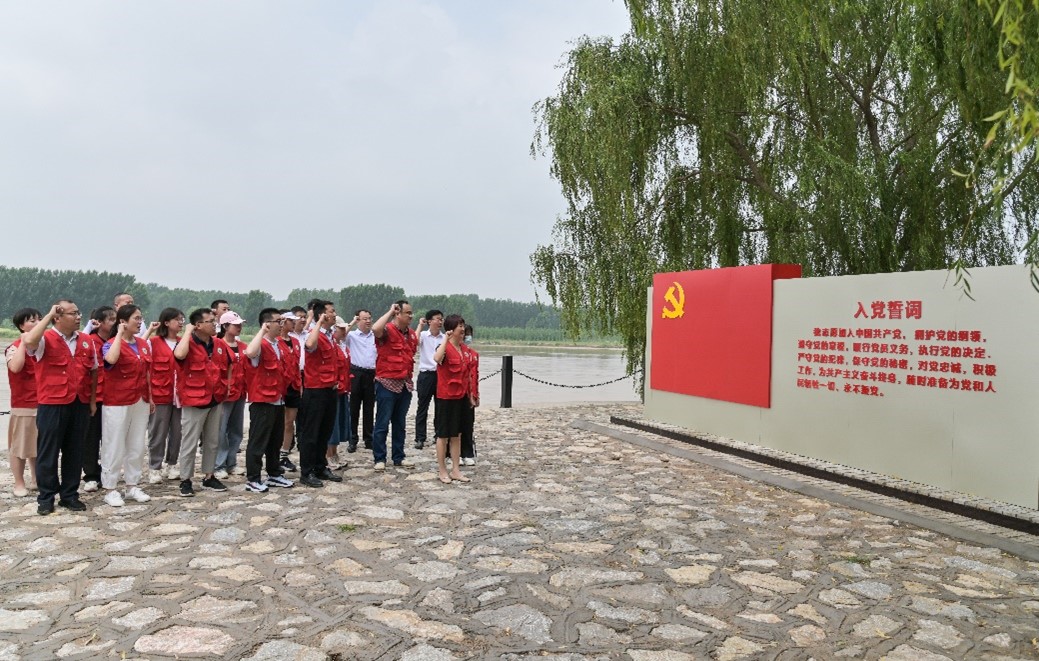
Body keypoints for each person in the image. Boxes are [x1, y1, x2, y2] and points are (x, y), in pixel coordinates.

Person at [23, 301, 97, 515]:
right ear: (58, 317)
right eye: (73, 314)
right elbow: (29, 341)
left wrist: (92, 401)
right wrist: (48, 315)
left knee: (75, 451)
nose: (78, 317)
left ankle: (69, 495)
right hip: (52, 403)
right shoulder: (44, 339)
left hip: (79, 402)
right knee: (48, 452)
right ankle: (46, 497)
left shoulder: (86, 340)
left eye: (79, 313)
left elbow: (93, 371)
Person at [99, 305, 154, 506]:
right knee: (114, 444)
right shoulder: (111, 344)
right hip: (117, 400)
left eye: (141, 318)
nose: (140, 322)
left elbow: (147, 373)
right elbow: (110, 360)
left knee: (137, 444)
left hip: (140, 399)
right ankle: (110, 487)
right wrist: (119, 335)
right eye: (136, 318)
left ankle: (132, 485)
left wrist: (151, 397)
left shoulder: (143, 344)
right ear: (123, 321)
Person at [174, 308, 226, 496]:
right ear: (198, 325)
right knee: (190, 442)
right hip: (194, 399)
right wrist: (187, 332)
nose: (214, 324)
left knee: (212, 441)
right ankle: (185, 479)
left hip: (215, 398)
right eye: (210, 321)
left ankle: (209, 476)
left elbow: (228, 365)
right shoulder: (186, 343)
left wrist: (225, 387)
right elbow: (179, 355)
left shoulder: (218, 343)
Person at [242, 308, 295, 492]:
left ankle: (274, 473)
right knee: (258, 442)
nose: (281, 324)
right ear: (267, 324)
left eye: (282, 321)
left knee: (275, 441)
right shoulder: (261, 344)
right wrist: (262, 332)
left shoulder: (278, 344)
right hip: (262, 401)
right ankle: (253, 478)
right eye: (278, 321)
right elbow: (250, 352)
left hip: (278, 399)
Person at [297, 300, 343, 487]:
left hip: (330, 389)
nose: (334, 314)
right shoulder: (314, 333)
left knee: (324, 431)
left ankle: (320, 466)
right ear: (322, 315)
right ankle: (306, 472)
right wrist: (317, 323)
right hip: (315, 390)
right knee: (311, 433)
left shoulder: (330, 335)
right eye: (331, 312)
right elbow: (309, 345)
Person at [371, 300, 418, 471]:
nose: (411, 316)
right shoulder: (387, 330)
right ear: (398, 314)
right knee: (382, 423)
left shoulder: (411, 334)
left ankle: (399, 456)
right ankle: (379, 458)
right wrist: (390, 311)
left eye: (411, 313)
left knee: (400, 423)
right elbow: (375, 329)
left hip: (405, 384)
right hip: (386, 383)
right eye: (408, 313)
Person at [5, 308, 41, 497]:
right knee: (19, 446)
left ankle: (36, 478)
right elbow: (16, 367)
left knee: (38, 444)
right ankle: (19, 482)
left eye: (38, 320)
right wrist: (23, 344)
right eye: (31, 321)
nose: (36, 323)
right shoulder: (14, 347)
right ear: (21, 326)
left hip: (45, 401)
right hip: (24, 403)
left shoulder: (43, 345)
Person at [81, 306, 116, 494]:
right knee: (91, 439)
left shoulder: (117, 341)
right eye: (111, 319)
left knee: (111, 439)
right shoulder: (89, 341)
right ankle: (91, 475)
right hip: (95, 396)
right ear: (99, 323)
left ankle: (108, 472)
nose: (115, 323)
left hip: (114, 396)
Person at [147, 308, 184, 483]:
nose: (181, 322)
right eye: (177, 319)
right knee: (158, 433)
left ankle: (172, 464)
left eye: (182, 319)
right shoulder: (153, 342)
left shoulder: (183, 342)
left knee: (177, 432)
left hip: (180, 396)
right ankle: (155, 467)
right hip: (159, 394)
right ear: (166, 322)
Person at [433, 315, 471, 484]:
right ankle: (442, 470)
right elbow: (437, 359)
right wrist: (445, 339)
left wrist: (471, 395)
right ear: (450, 329)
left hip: (461, 397)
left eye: (463, 326)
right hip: (445, 397)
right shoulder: (444, 347)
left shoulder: (464, 349)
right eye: (459, 326)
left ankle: (455, 470)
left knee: (457, 434)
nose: (462, 329)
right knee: (443, 435)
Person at [213, 310, 247, 479]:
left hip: (240, 392)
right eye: (235, 325)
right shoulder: (217, 345)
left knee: (236, 430)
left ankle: (231, 462)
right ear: (225, 326)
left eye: (240, 324)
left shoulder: (243, 347)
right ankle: (219, 464)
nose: (239, 327)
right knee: (221, 430)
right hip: (224, 394)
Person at [347, 309, 376, 453]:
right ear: (358, 320)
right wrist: (352, 322)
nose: (368, 321)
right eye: (365, 318)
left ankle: (369, 438)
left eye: (370, 318)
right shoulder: (352, 336)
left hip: (372, 374)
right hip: (356, 373)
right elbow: (340, 335)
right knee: (353, 408)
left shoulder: (375, 335)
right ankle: (352, 439)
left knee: (369, 408)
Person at [414, 309, 443, 450]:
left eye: (441, 319)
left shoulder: (445, 338)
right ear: (430, 321)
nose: (440, 322)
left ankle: (439, 435)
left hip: (441, 375)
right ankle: (420, 438)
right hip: (426, 375)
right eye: (437, 319)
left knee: (440, 407)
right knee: (422, 407)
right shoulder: (423, 335)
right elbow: (413, 342)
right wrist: (420, 325)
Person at [327, 316, 353, 470]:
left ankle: (335, 453)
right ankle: (328, 455)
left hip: (344, 389)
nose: (344, 331)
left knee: (340, 422)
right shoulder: (331, 346)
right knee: (332, 424)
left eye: (344, 329)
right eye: (341, 329)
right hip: (334, 390)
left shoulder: (342, 345)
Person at [277, 310, 302, 472]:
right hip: (280, 387)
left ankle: (284, 454)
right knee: (278, 422)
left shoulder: (295, 342)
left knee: (289, 422)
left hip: (294, 386)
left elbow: (298, 366)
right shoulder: (275, 342)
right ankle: (274, 453)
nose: (294, 323)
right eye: (291, 321)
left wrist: (300, 386)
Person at [460, 324, 479, 466]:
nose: (467, 337)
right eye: (464, 333)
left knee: (468, 424)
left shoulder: (473, 354)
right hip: (455, 393)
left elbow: (474, 376)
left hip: (469, 395)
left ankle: (467, 453)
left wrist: (475, 395)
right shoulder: (450, 351)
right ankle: (453, 454)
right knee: (454, 426)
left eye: (468, 334)